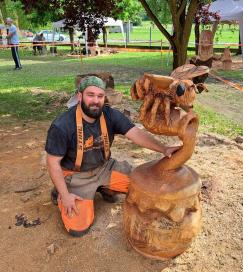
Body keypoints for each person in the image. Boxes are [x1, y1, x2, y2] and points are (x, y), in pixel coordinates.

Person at [45, 76, 181, 237]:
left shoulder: (110, 115)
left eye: (100, 96)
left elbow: (136, 134)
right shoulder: (62, 125)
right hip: (76, 176)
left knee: (144, 187)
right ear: (80, 96)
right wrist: (66, 196)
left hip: (104, 168)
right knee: (78, 228)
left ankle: (104, 187)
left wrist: (163, 149)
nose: (95, 101)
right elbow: (53, 163)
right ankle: (60, 192)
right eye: (90, 95)